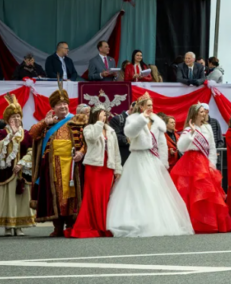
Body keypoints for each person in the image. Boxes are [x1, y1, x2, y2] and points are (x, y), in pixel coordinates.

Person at [106, 94, 194, 237]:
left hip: (152, 159)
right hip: (137, 157)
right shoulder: (133, 119)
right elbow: (129, 133)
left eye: (152, 105)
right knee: (137, 189)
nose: (151, 108)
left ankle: (154, 220)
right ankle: (135, 220)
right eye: (148, 105)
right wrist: (142, 119)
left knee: (154, 189)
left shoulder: (157, 122)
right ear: (141, 107)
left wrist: (163, 162)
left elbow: (162, 144)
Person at [29, 87, 84, 237]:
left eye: (65, 103)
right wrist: (44, 123)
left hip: (72, 165)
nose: (63, 106)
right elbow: (32, 134)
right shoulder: (49, 124)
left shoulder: (77, 120)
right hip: (53, 166)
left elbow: (87, 139)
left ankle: (71, 225)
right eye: (59, 104)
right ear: (53, 108)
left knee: (72, 195)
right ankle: (58, 226)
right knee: (55, 195)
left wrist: (82, 152)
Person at [171, 104, 231, 234]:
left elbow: (212, 147)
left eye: (204, 111)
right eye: (201, 111)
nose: (204, 113)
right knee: (191, 193)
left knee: (207, 193)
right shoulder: (188, 129)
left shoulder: (208, 127)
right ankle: (192, 222)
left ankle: (208, 222)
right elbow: (181, 147)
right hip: (190, 162)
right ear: (195, 113)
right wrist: (191, 133)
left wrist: (212, 165)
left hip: (204, 162)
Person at [69, 107, 122, 238]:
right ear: (97, 116)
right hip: (94, 167)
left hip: (107, 167)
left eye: (105, 115)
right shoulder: (89, 128)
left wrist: (118, 168)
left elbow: (116, 151)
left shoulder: (111, 131)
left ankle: (103, 225)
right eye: (102, 115)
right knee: (93, 196)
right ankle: (93, 225)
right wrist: (98, 123)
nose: (105, 117)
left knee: (105, 197)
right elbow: (91, 139)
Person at [0, 95, 35, 236]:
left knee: (21, 198)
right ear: (7, 120)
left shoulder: (27, 134)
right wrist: (10, 137)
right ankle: (8, 226)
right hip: (6, 172)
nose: (16, 119)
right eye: (13, 117)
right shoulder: (1, 133)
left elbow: (31, 150)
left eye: (18, 116)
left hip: (22, 172)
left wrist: (22, 163)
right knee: (8, 198)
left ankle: (19, 225)